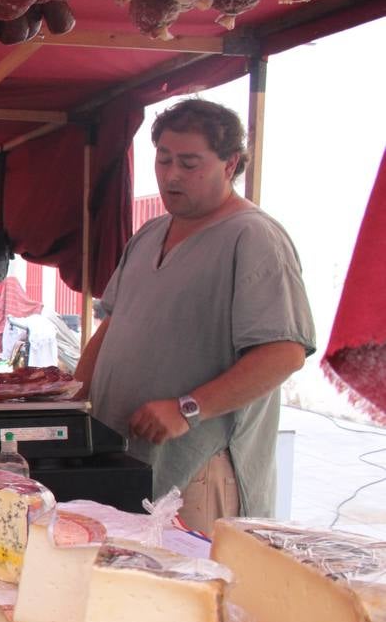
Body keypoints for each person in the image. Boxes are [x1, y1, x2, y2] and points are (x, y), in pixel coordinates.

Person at [76, 99, 314, 533]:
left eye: (189, 163)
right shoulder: (150, 234)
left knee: (196, 590)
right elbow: (112, 324)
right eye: (163, 160)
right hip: (124, 457)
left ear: (230, 164)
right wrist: (74, 398)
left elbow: (284, 353)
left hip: (199, 468)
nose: (171, 175)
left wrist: (187, 408)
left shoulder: (254, 237)